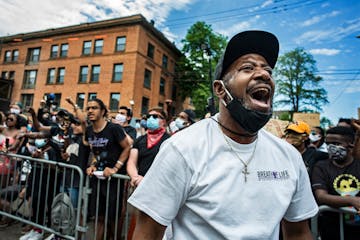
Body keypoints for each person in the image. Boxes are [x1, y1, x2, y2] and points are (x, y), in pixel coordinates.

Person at [128, 30, 318, 239]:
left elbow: (299, 233)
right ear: (220, 89)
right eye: (247, 67)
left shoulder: (289, 157)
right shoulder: (182, 149)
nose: (264, 74)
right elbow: (147, 233)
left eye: (268, 71)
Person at [84, 98, 131, 240]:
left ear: (103, 111)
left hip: (114, 180)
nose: (90, 111)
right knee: (98, 215)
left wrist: (115, 168)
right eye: (88, 108)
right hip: (98, 178)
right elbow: (94, 151)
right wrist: (92, 165)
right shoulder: (89, 130)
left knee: (112, 218)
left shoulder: (114, 129)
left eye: (94, 108)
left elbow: (127, 147)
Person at [311, 126, 360, 240]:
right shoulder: (321, 166)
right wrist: (352, 201)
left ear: (351, 144)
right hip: (332, 229)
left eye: (336, 143)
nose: (331, 147)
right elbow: (321, 196)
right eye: (328, 144)